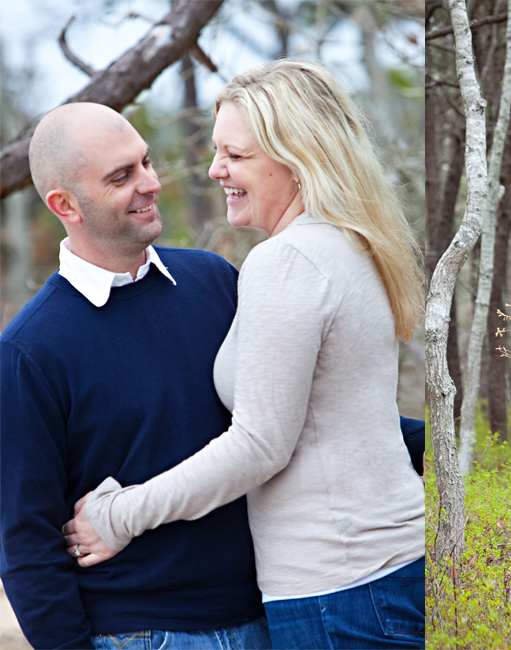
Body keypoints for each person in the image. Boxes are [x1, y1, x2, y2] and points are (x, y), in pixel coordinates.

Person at [64, 59, 426, 650]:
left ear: (295, 155)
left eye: (236, 155)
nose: (215, 170)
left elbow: (259, 444)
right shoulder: (349, 242)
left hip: (337, 587)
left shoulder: (288, 260)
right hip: (383, 573)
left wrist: (118, 516)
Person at [0, 103, 271, 649]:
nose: (150, 183)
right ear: (64, 205)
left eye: (145, 162)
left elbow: (284, 416)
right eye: (121, 177)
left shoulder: (215, 282)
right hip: (140, 634)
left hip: (268, 616)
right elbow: (26, 541)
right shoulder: (28, 352)